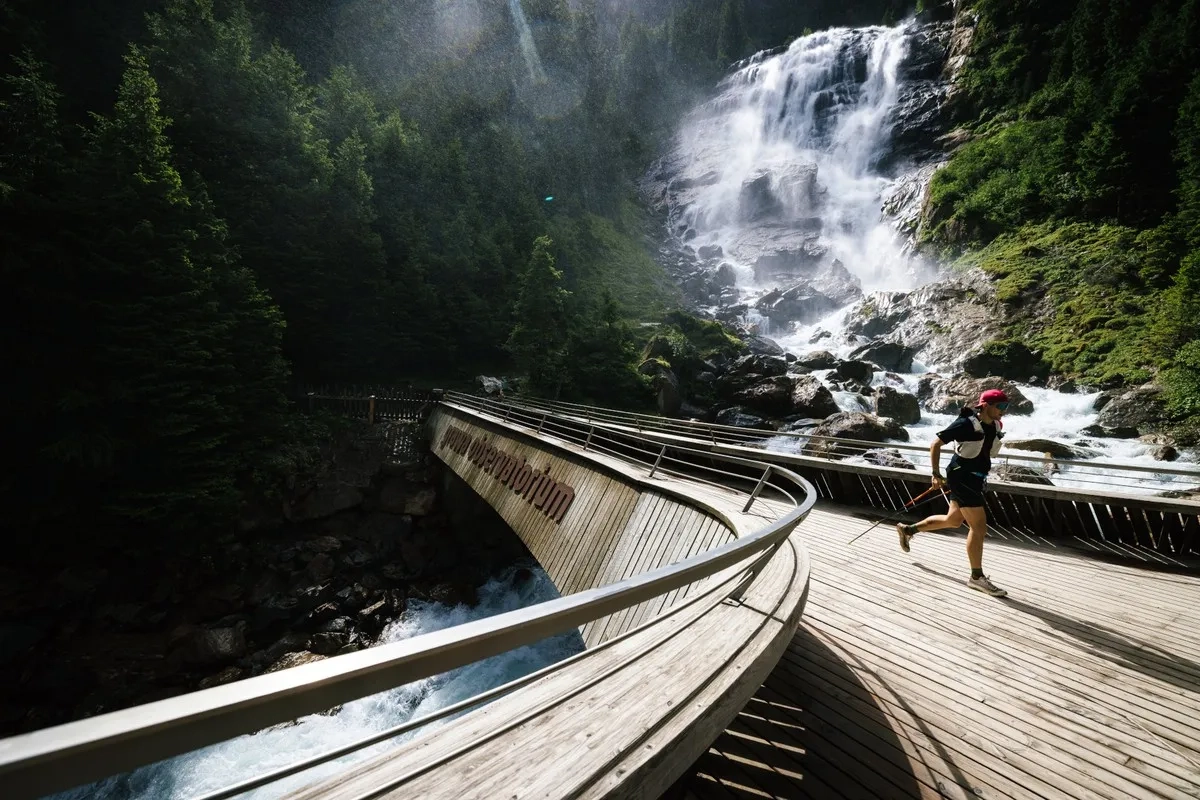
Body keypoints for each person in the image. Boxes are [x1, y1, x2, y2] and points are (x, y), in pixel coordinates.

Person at [896, 388, 1010, 597]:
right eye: (1000, 406)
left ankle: (908, 530)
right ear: (985, 405)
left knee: (953, 520)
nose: (1004, 410)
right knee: (978, 527)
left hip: (975, 478)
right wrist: (935, 473)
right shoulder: (965, 423)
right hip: (962, 477)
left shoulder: (994, 425)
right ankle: (976, 577)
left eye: (1006, 406)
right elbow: (935, 443)